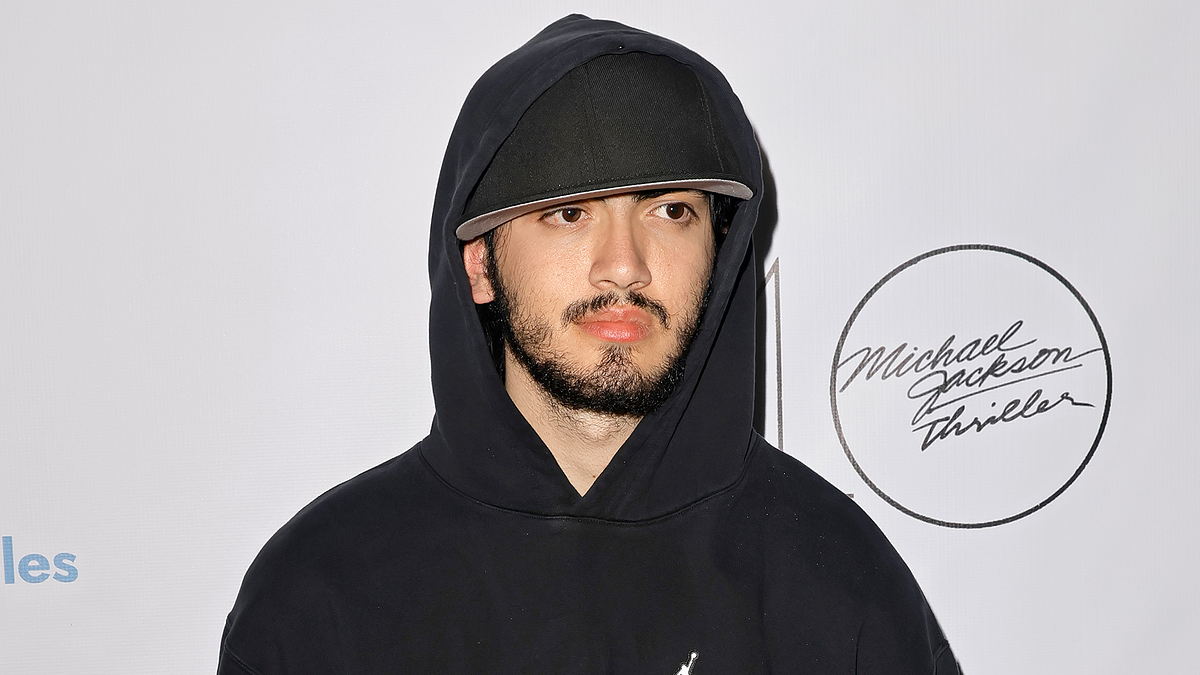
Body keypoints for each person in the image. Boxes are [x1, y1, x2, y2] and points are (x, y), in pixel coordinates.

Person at [218, 14, 960, 674]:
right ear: (479, 264)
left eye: (671, 210)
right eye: (568, 213)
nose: (625, 264)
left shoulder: (839, 581)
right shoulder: (322, 592)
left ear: (721, 252)